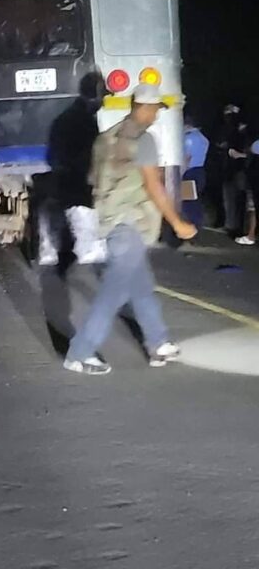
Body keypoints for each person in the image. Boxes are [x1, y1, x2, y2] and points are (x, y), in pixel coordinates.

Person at [63, 83, 197, 375]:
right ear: (145, 108)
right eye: (155, 110)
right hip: (131, 224)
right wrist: (177, 223)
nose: (156, 116)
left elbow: (92, 180)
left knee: (141, 288)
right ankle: (80, 352)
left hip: (111, 222)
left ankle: (158, 343)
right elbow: (153, 185)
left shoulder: (105, 139)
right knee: (113, 292)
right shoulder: (143, 140)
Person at [38, 72, 106, 265]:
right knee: (79, 213)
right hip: (77, 179)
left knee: (59, 213)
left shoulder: (66, 117)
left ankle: (52, 250)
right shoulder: (84, 120)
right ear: (96, 95)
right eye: (103, 97)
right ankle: (85, 249)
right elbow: (88, 154)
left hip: (65, 176)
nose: (103, 102)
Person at [215, 104, 249, 234]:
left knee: (239, 199)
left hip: (240, 169)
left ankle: (237, 227)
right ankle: (231, 224)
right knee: (229, 197)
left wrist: (239, 154)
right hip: (229, 168)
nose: (228, 118)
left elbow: (248, 150)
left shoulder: (242, 131)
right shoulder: (227, 130)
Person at [182, 110, 209, 229]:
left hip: (189, 172)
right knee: (195, 200)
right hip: (200, 171)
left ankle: (191, 228)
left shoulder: (189, 138)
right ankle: (197, 225)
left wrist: (181, 172)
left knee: (188, 203)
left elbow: (187, 157)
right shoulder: (203, 138)